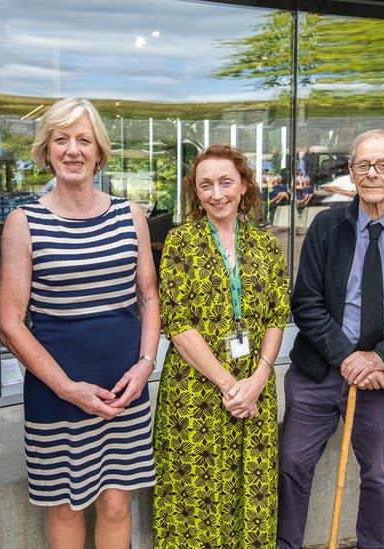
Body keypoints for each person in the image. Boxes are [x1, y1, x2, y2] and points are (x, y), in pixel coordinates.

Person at [0, 97, 159, 548]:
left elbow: (148, 295)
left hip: (124, 388)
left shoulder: (132, 217)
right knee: (66, 506)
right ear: (46, 150)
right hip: (56, 391)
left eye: (83, 139)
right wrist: (66, 387)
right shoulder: (23, 221)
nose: (72, 150)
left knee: (115, 503)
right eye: (61, 139)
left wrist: (146, 363)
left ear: (99, 151)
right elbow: (8, 322)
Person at [278, 130, 384, 549]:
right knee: (292, 465)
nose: (372, 173)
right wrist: (348, 357)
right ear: (352, 173)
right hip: (319, 372)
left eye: (383, 165)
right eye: (362, 165)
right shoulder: (325, 226)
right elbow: (305, 303)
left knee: (378, 474)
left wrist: (379, 359)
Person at [154, 144, 290, 548]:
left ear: (244, 186)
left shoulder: (266, 246)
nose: (217, 194)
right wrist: (232, 385)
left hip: (255, 393)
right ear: (195, 193)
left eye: (226, 182)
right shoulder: (180, 242)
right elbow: (177, 324)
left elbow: (276, 316)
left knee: (251, 496)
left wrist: (258, 379)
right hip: (195, 395)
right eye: (205, 185)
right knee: (195, 501)